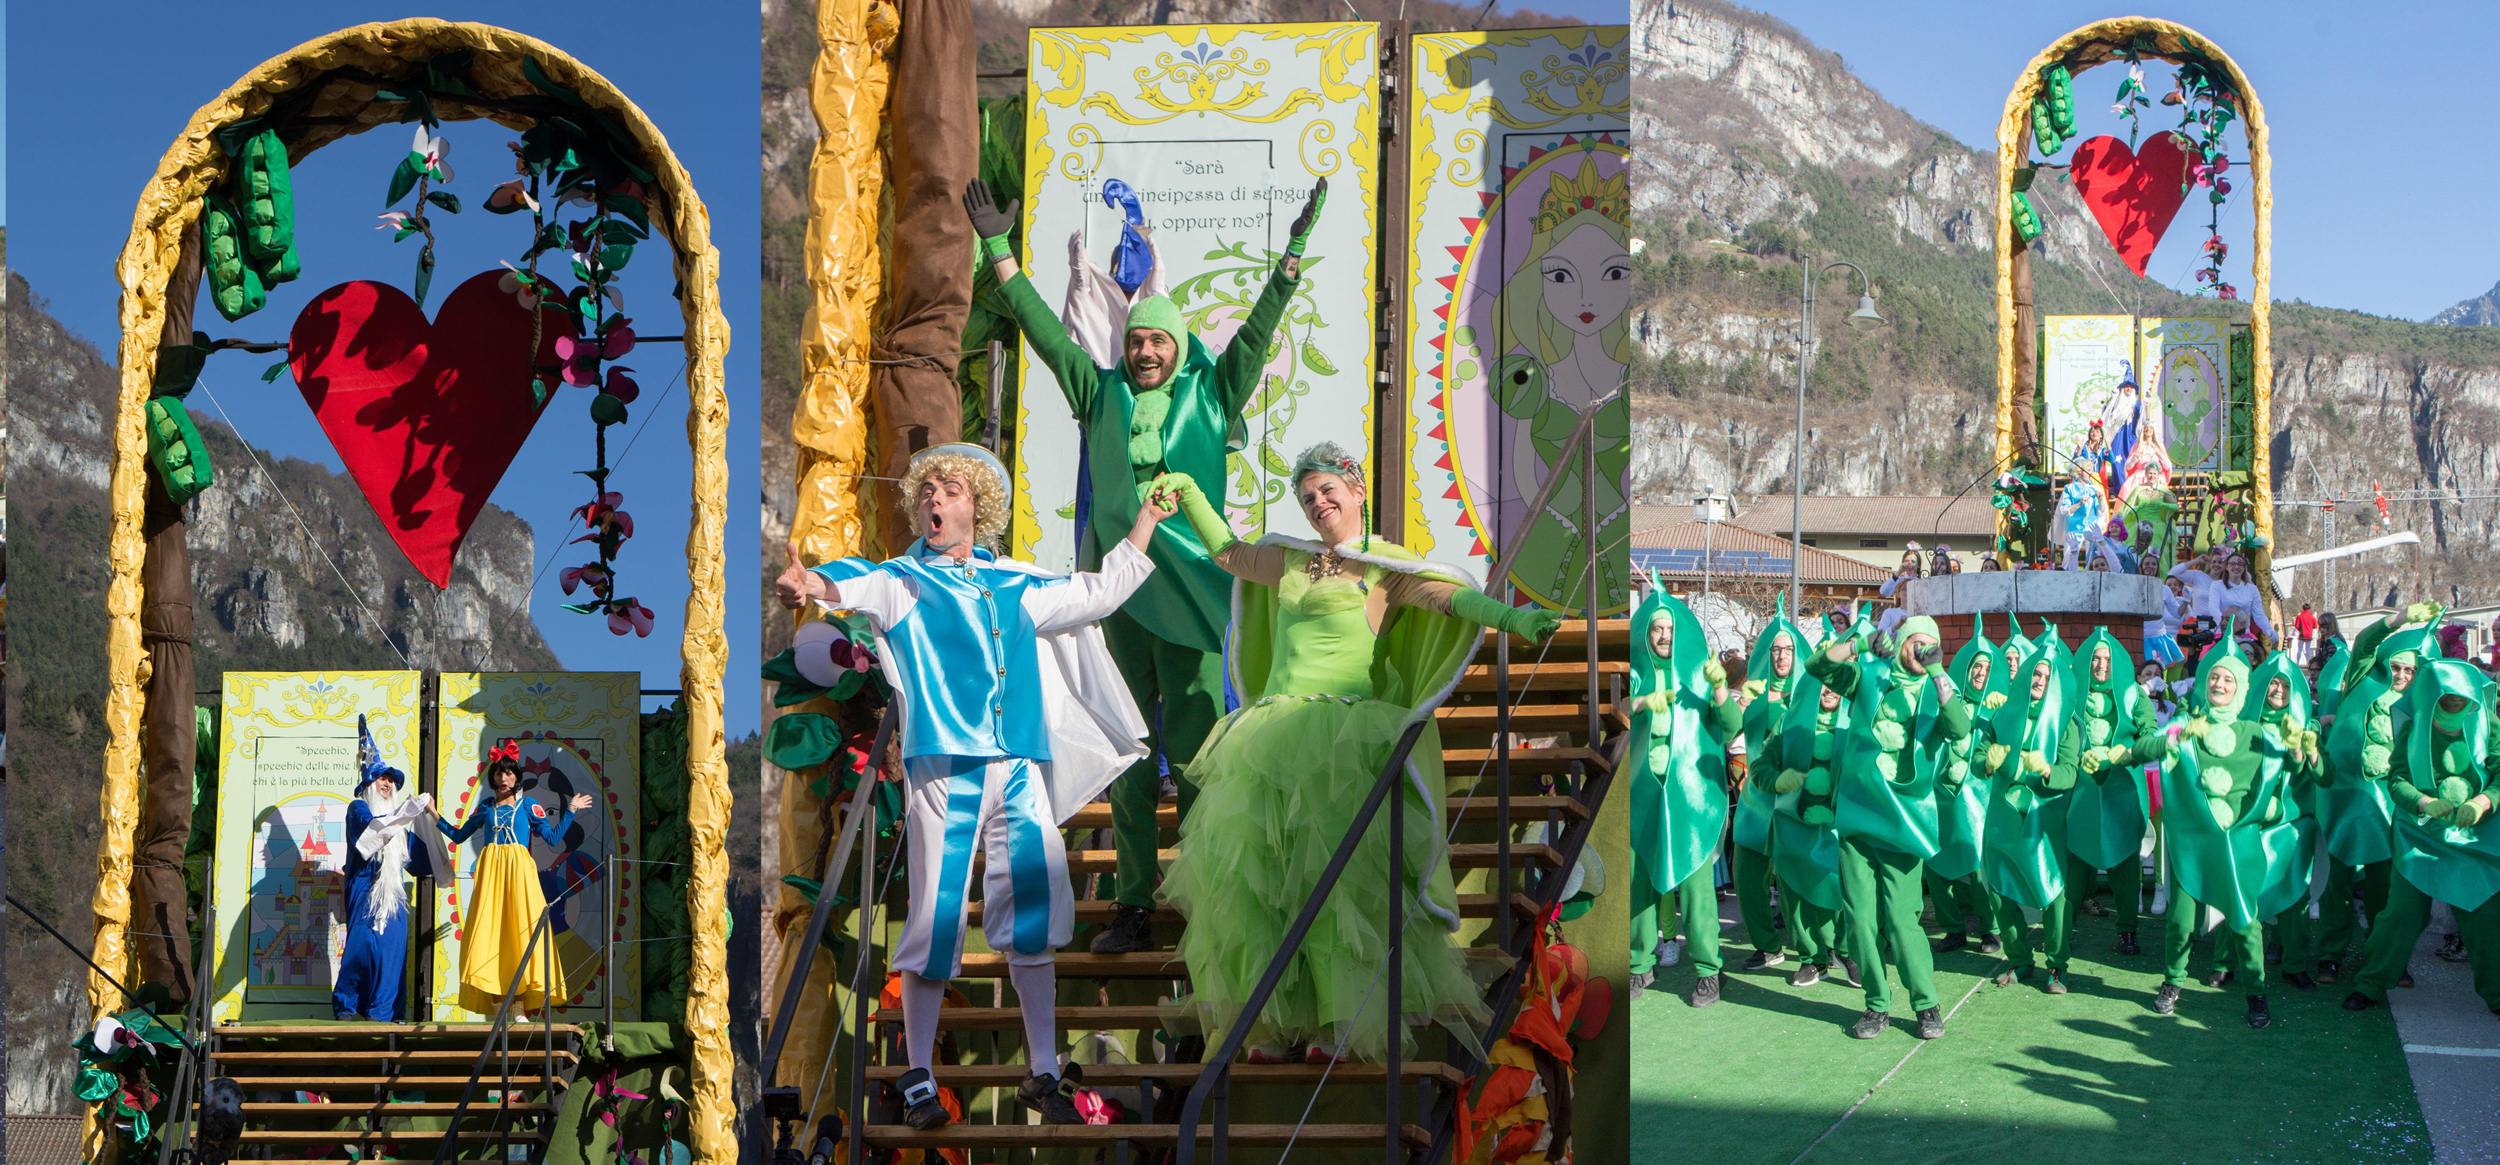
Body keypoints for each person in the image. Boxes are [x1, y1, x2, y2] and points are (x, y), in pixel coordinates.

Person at [964, 176, 1324, 955]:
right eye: (1137, 341)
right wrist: (998, 251)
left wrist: (1290, 259)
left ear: (1179, 345)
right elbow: (1045, 335)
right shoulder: (1100, 392)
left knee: (1195, 763)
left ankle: (1205, 899)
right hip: (1116, 599)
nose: (1148, 351)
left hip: (1191, 598)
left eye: (1159, 340)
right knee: (1129, 759)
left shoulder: (1213, 392)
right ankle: (1133, 905)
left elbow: (1258, 334)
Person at [773, 442, 1170, 1127]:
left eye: (950, 489)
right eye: (927, 490)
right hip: (946, 763)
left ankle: (1043, 1069)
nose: (934, 499)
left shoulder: (1017, 583)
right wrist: (809, 586)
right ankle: (919, 1070)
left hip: (1016, 762)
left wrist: (1146, 522)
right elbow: (850, 583)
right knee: (934, 910)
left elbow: (1099, 592)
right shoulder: (905, 580)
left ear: (976, 505)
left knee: (1034, 912)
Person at [1150, 446, 1561, 1060]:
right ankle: (1267, 1027)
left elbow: (1447, 599)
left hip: (1341, 740)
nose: (1319, 503)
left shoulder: (1381, 567)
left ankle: (1342, 1024)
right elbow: (1230, 554)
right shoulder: (1290, 558)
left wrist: (1512, 619)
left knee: (1337, 887)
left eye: (1327, 489)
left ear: (1357, 490)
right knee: (1262, 886)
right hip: (1270, 737)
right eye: (1308, 495)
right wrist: (1188, 489)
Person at [2114, 643, 2307, 1029]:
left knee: (2243, 920)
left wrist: (2302, 749)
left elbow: (2298, 767)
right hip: (2192, 841)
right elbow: (2143, 749)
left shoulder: (2255, 732)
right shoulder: (2191, 722)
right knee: (2180, 919)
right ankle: (2173, 981)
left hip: (2237, 844)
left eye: (2229, 679)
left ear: (2241, 689)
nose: (2220, 683)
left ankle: (2256, 992)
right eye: (2215, 676)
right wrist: (2179, 734)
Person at [1808, 612, 1972, 1039]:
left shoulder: (1938, 689)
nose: (1919, 649)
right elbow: (1818, 667)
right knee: (1860, 919)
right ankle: (1876, 1005)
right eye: (1913, 641)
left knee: (1902, 921)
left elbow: (1959, 728)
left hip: (1904, 822)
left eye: (1928, 644)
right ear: (1898, 641)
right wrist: (1859, 644)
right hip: (1859, 816)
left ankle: (1926, 1004)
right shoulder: (1871, 676)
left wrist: (1937, 668)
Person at [2345, 656, 2500, 1017]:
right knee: (2401, 914)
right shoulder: (2413, 726)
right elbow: (2397, 780)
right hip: (2420, 836)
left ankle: (2497, 994)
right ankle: (2370, 983)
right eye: (2447, 698)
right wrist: (2423, 802)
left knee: (2484, 916)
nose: (2456, 703)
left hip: (2472, 837)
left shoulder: (2488, 722)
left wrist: (2482, 801)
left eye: (2462, 697)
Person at [1627, 579, 1741, 1003]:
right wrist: (1642, 703)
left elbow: (1732, 727)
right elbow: (1608, 713)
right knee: (1639, 886)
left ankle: (1710, 970)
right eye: (1657, 628)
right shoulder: (1634, 673)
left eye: (1670, 630)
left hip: (1691, 801)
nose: (1663, 636)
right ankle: (1639, 965)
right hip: (1642, 798)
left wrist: (1717, 688)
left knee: (1695, 890)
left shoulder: (1697, 675)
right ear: (1644, 632)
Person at [2315, 606, 2440, 982]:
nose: (2401, 675)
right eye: (2397, 666)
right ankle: (2330, 955)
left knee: (2382, 887)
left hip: (2390, 802)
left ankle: (2383, 956)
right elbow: (2368, 641)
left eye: (2409, 669)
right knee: (2336, 881)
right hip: (2346, 797)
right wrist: (2398, 620)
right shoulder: (2363, 677)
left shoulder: (2423, 705)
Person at [439, 743, 595, 1019]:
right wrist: (432, 814)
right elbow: (459, 836)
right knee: (493, 935)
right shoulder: (486, 808)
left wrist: (570, 810)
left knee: (523, 933)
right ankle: (499, 1004)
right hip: (491, 877)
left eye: (509, 773)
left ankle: (520, 1005)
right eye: (499, 773)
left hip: (520, 875)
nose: (503, 778)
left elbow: (552, 838)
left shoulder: (528, 805)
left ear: (516, 777)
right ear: (493, 778)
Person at [335, 716, 452, 1023]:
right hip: (365, 891)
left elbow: (429, 864)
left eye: (390, 780)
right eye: (380, 779)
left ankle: (382, 1014)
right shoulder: (357, 809)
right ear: (368, 784)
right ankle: (348, 1007)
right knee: (362, 949)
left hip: (394, 900)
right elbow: (372, 835)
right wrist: (406, 813)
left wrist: (428, 818)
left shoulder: (402, 832)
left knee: (391, 955)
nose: (386, 784)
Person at [2067, 629, 2161, 957]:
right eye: (2095, 658)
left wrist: (2128, 751)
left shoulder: (2135, 694)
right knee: (2075, 861)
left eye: (2107, 659)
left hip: (2123, 788)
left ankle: (2127, 930)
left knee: (2124, 864)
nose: (2101, 665)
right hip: (2080, 787)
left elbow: (2151, 736)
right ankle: (2064, 930)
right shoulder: (2071, 690)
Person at [1730, 601, 1806, 971]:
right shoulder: (1754, 693)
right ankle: (1767, 944)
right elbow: (1737, 727)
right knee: (1745, 873)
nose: (1781, 656)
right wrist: (1752, 702)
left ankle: (1815, 953)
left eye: (1787, 649)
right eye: (1775, 649)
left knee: (1796, 881)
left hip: (1796, 800)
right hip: (1757, 800)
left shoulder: (1809, 692)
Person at [1768, 668, 1856, 987]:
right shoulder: (1790, 722)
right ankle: (1811, 958)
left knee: (1846, 887)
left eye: (1836, 683)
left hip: (1840, 824)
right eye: (1823, 684)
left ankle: (1846, 951)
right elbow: (1764, 764)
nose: (1829, 690)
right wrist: (1778, 779)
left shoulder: (1855, 723)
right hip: (1795, 824)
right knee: (1796, 891)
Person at [1926, 615, 2005, 957]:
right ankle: (1953, 929)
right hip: (1942, 791)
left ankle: (1991, 929)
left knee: (1977, 866)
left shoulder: (1998, 708)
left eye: (1986, 667)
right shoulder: (1949, 698)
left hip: (1978, 796)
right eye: (1976, 665)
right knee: (1937, 863)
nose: (1980, 672)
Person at [2253, 653, 2328, 991]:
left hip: (2295, 822)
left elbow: (2326, 778)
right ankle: (2231, 962)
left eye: (2285, 684)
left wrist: (2309, 753)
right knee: (2244, 894)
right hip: (2252, 819)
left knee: (2294, 892)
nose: (2278, 689)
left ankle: (2294, 962)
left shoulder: (2308, 724)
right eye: (2273, 682)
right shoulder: (2247, 721)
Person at [2295, 603, 2320, 667]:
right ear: (2309, 609)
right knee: (2308, 650)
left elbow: (2296, 626)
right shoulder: (2312, 617)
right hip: (2309, 635)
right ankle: (2308, 664)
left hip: (2302, 635)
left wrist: (2300, 629)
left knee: (2299, 650)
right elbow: (2315, 625)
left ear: (2303, 608)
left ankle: (2297, 663)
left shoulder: (2300, 616)